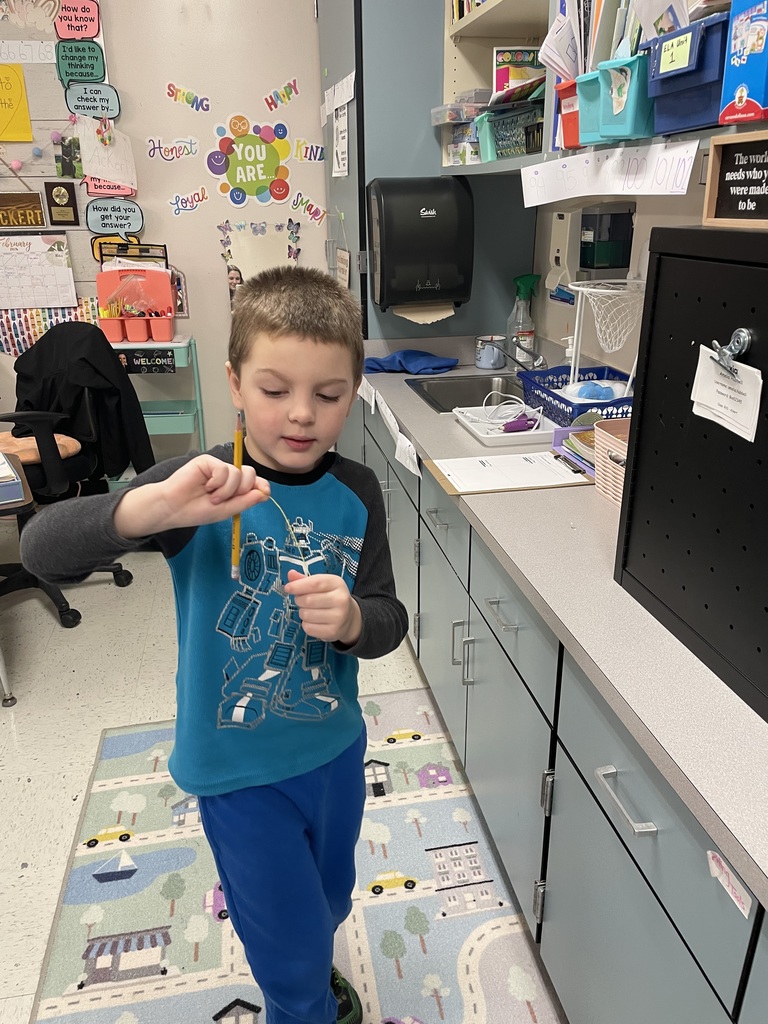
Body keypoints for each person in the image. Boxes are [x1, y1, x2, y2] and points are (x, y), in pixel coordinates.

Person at [21, 266, 408, 1024]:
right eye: (274, 390)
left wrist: (356, 621)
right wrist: (145, 508)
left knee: (328, 901)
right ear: (234, 383)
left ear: (353, 392)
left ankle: (307, 973)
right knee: (290, 960)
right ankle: (300, 1004)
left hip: (333, 754)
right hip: (237, 773)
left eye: (328, 396)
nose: (301, 415)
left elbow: (389, 617)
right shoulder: (195, 487)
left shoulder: (358, 490)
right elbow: (40, 551)